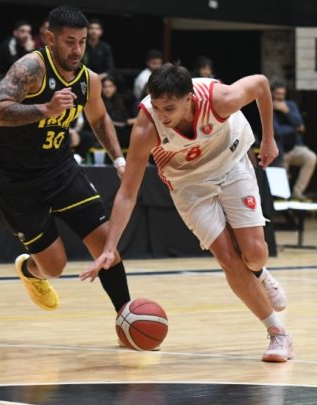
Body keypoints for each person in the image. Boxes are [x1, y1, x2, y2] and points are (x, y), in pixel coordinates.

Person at [80, 63, 292, 363]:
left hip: (231, 163)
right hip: (189, 184)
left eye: (169, 108)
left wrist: (268, 138)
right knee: (227, 258)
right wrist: (109, 248)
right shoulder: (147, 126)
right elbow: (127, 193)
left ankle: (259, 271)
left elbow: (260, 84)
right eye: (157, 107)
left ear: (189, 99)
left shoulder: (220, 99)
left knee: (255, 254)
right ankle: (277, 333)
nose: (162, 115)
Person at [0, 6, 131, 319]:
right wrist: (44, 110)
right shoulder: (31, 68)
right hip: (16, 181)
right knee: (54, 267)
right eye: (69, 42)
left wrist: (119, 160)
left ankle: (126, 317)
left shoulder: (88, 80)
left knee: (106, 244)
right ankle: (29, 270)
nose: (77, 50)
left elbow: (99, 118)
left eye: (82, 42)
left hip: (60, 170)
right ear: (50, 38)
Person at [271, 80, 316, 201]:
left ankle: (297, 192)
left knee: (311, 157)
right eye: (277, 94)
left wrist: (287, 111)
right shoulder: (268, 107)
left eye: (282, 94)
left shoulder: (290, 105)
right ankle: (283, 198)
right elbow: (276, 131)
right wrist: (294, 129)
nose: (280, 97)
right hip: (279, 150)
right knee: (281, 189)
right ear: (272, 93)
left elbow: (300, 123)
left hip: (295, 147)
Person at [0, 20, 35, 89]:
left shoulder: (26, 45)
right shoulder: (10, 44)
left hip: (11, 77)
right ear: (15, 33)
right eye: (22, 31)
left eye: (28, 32)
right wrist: (28, 51)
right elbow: (18, 67)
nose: (26, 35)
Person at [102, 75, 135, 147]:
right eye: (104, 86)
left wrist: (129, 122)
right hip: (109, 131)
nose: (107, 89)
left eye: (110, 86)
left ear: (115, 87)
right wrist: (125, 123)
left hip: (123, 130)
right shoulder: (100, 102)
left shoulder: (121, 100)